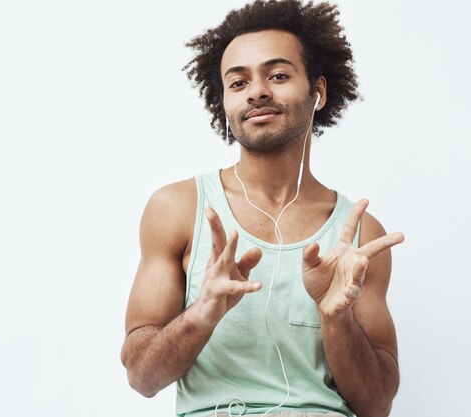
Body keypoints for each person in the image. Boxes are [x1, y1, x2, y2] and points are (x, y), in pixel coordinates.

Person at [120, 1, 405, 417]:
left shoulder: (360, 234)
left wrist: (335, 316)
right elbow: (141, 378)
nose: (256, 91)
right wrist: (202, 313)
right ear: (225, 102)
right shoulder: (177, 209)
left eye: (278, 75)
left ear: (318, 91)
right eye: (237, 83)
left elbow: (377, 405)